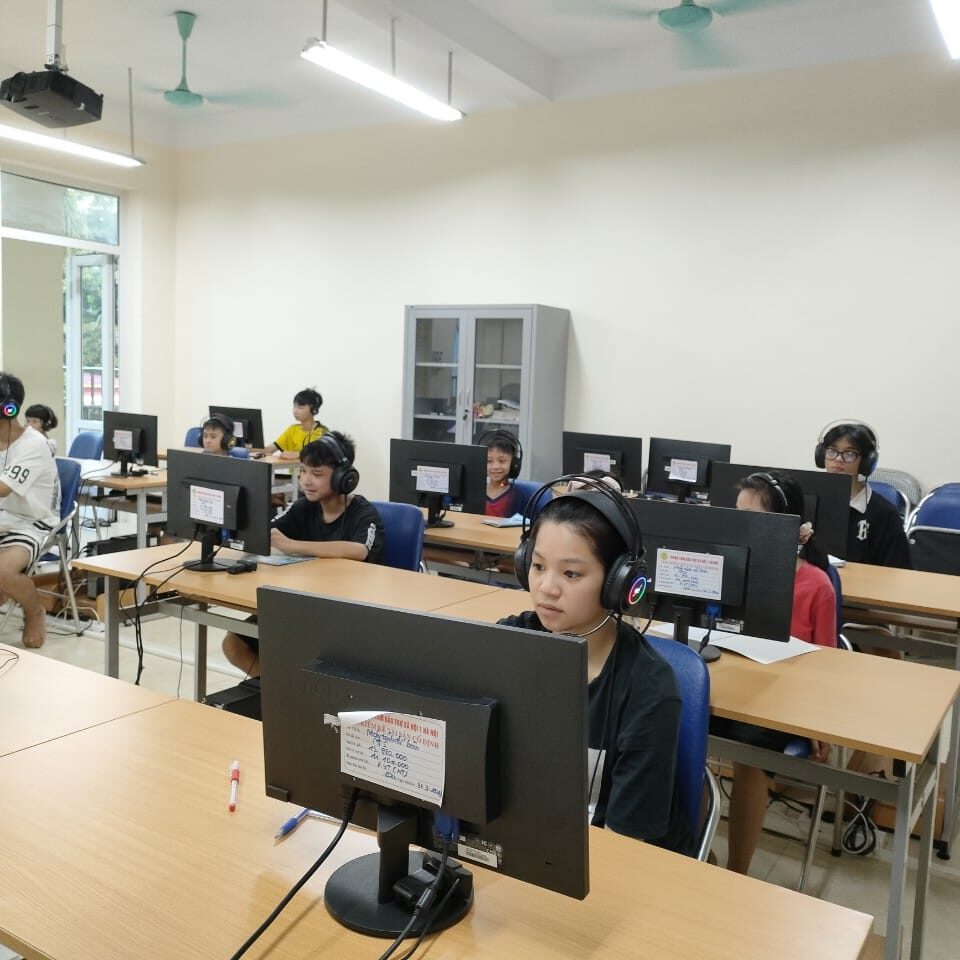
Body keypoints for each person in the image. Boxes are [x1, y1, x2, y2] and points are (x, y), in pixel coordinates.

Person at [498, 482, 692, 853]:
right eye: (537, 566)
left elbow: (625, 846)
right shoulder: (509, 644)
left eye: (571, 574)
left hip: (612, 862)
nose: (546, 588)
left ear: (618, 584)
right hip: (527, 846)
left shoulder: (648, 690)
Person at [718, 470, 837, 876]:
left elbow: (829, 666)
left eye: (755, 517)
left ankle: (736, 871)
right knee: (678, 734)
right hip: (730, 687)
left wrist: (820, 725)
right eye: (737, 515)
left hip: (784, 701)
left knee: (747, 759)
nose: (742, 527)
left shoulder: (816, 584)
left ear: (790, 528)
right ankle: (694, 853)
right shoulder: (730, 571)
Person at [222, 431, 384, 677]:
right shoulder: (303, 508)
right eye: (303, 471)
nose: (306, 480)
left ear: (344, 478)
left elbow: (358, 550)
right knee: (234, 644)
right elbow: (269, 530)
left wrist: (293, 546)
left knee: (299, 652)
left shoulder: (363, 513)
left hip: (344, 615)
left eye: (316, 474)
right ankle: (275, 694)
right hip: (301, 605)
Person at [0, 373, 61, 650]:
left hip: (31, 523)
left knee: (3, 572)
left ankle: (34, 611)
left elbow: (3, 489)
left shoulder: (32, 445)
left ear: (7, 409)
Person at [815, 421, 910, 568]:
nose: (838, 459)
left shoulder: (884, 514)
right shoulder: (809, 501)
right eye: (832, 451)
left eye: (849, 453)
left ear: (866, 462)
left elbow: (899, 570)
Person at [269, 388, 327, 460]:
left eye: (300, 407)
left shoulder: (322, 432)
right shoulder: (292, 430)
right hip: (294, 471)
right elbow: (269, 450)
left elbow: (320, 455)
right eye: (294, 406)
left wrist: (297, 454)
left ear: (314, 409)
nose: (295, 411)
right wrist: (251, 448)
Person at [481, 430, 523, 517]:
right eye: (489, 461)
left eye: (502, 461)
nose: (495, 466)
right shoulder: (476, 493)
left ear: (514, 463)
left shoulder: (518, 496)